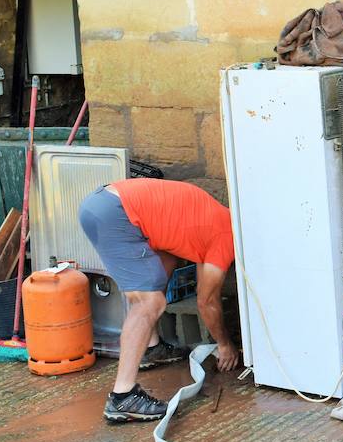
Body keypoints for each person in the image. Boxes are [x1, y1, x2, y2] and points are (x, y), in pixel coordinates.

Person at [79, 178, 241, 423]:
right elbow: (206, 301)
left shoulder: (216, 220)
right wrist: (225, 344)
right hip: (116, 213)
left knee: (159, 272)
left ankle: (152, 349)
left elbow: (194, 272)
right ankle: (123, 396)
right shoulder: (227, 238)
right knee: (149, 303)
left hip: (104, 204)